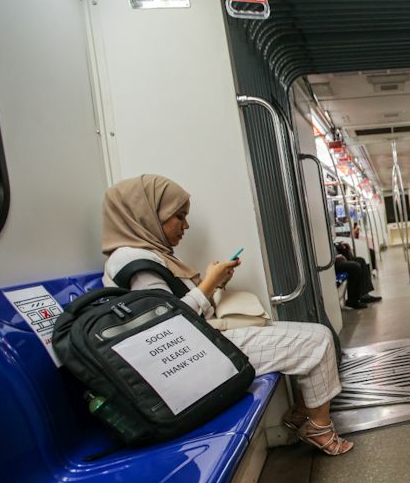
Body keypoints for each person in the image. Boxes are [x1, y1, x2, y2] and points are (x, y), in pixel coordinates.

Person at [101, 174, 353, 456]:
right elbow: (168, 327)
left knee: (316, 334)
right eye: (178, 217)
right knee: (316, 342)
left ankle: (302, 415)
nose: (186, 226)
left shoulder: (152, 255)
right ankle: (316, 426)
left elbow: (182, 309)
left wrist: (215, 284)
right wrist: (208, 283)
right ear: (145, 215)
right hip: (190, 358)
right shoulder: (133, 261)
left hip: (202, 343)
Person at [335, 240, 380, 309]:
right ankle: (352, 300)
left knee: (361, 260)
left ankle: (364, 295)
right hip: (335, 262)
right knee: (355, 266)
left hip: (337, 258)